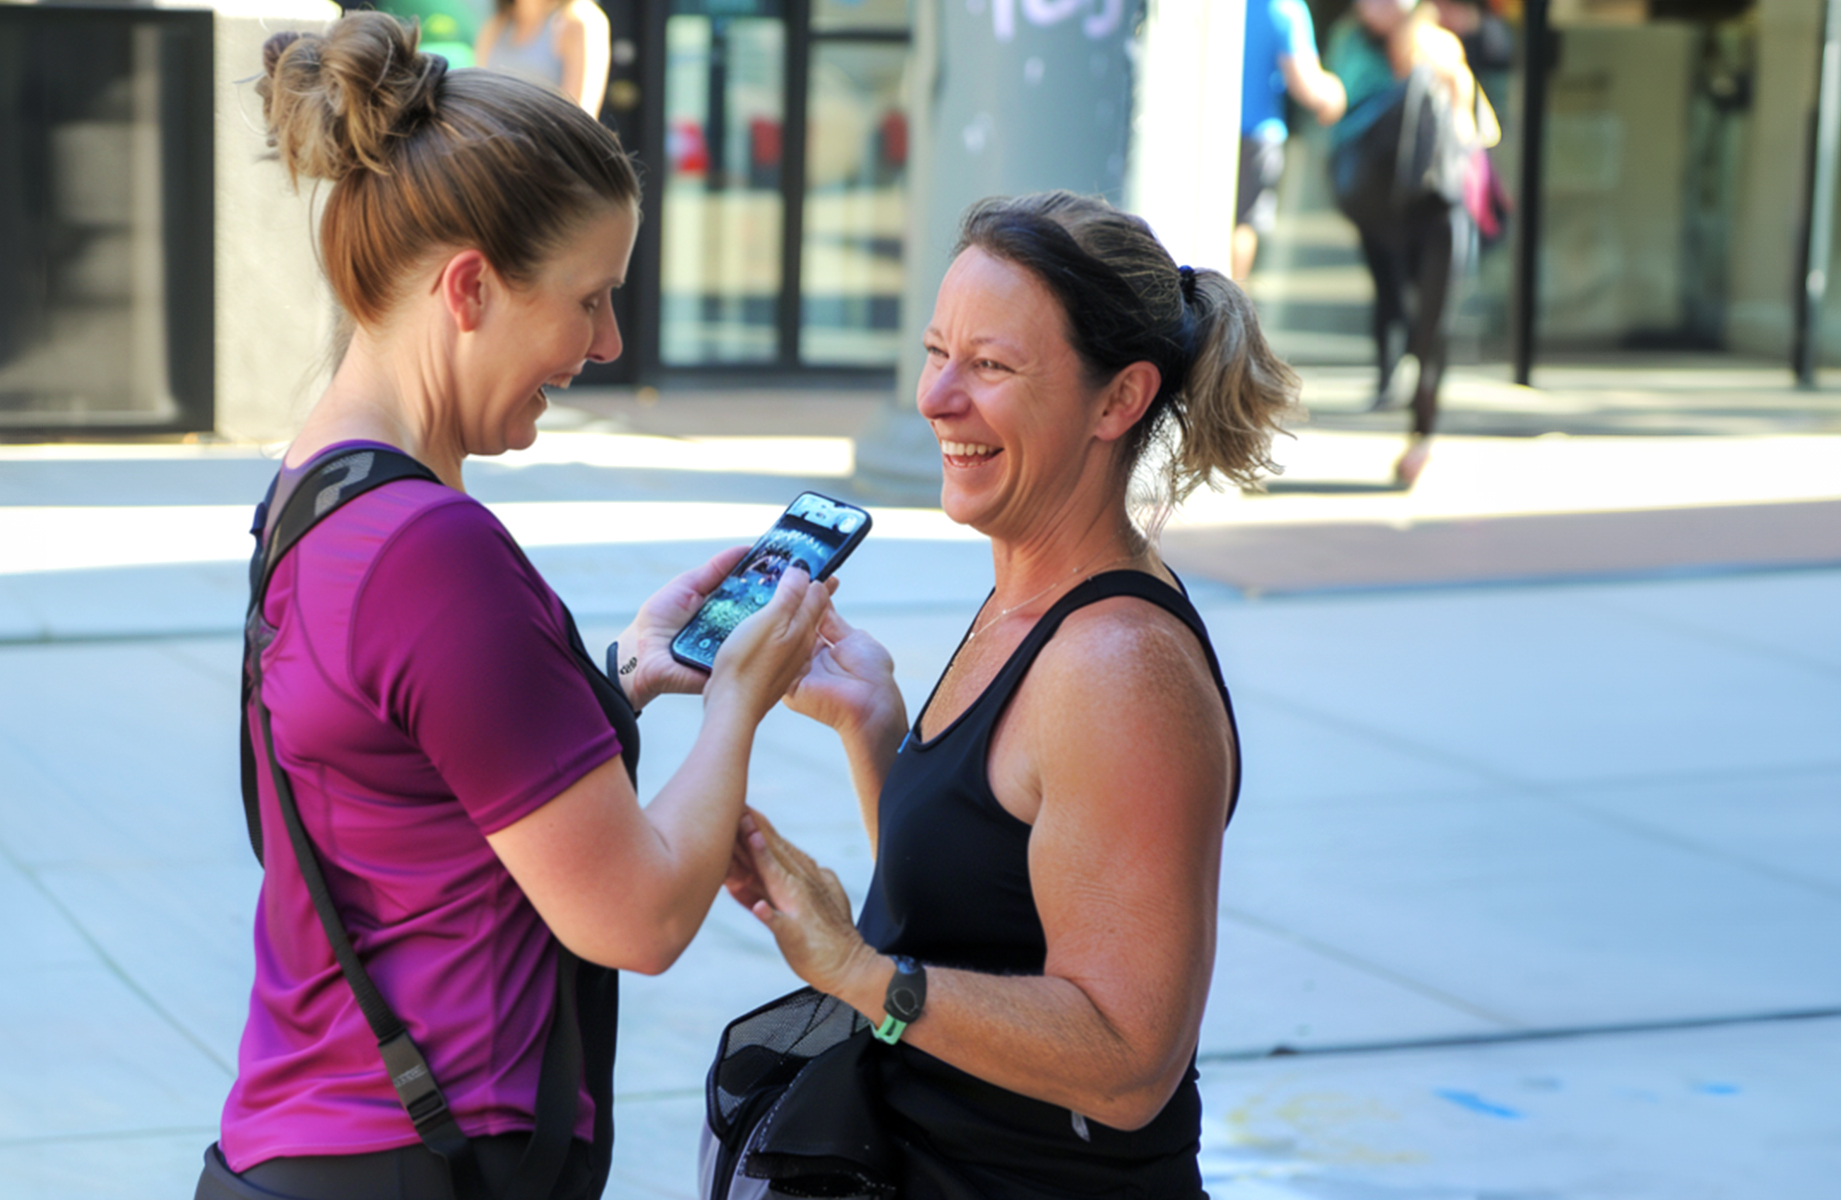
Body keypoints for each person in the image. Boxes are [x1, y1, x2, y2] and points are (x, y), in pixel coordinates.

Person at [197, 14, 832, 1199]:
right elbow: (638, 919)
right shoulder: (433, 553)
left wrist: (628, 674)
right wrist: (740, 699)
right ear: (471, 288)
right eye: (589, 301)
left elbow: (418, 779)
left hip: (306, 1140)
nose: (607, 341)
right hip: (422, 1159)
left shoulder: (315, 495)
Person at [701, 191, 1296, 1199]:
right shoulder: (1026, 600)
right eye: (938, 352)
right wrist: (873, 726)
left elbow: (1127, 1064)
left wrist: (856, 974)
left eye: (991, 367)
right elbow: (987, 913)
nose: (936, 398)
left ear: (1119, 401)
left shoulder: (1118, 670)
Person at [1325, 0, 1498, 487]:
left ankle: (1420, 433)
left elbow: (1474, 128)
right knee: (1402, 303)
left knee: (1431, 322)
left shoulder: (1437, 48)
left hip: (1437, 202)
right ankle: (1399, 400)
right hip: (1396, 204)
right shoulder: (1355, 47)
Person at [1233, 0, 1346, 282]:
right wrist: (1335, 95)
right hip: (1256, 138)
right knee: (1241, 228)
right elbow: (1306, 84)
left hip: (1209, 128)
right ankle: (1224, 317)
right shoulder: (1285, 9)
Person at [476, 0, 612, 117]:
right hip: (496, 143)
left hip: (550, 144)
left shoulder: (580, 20)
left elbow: (581, 113)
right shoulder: (497, 24)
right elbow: (481, 99)